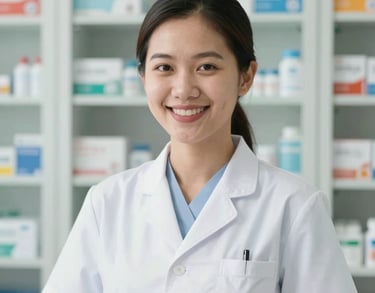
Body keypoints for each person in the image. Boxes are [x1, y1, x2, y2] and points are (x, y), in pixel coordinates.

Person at [42, 0, 358, 292]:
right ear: (143, 77)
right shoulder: (107, 203)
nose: (183, 89)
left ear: (246, 77)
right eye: (164, 67)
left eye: (206, 66)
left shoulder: (294, 205)